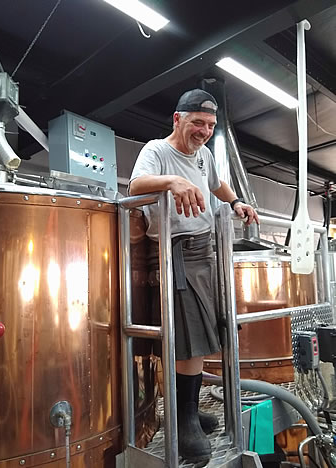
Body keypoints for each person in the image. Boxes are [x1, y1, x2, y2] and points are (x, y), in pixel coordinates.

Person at [129, 89, 259, 463]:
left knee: (204, 335)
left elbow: (217, 185)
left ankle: (187, 411)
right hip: (175, 252)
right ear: (177, 119)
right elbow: (136, 186)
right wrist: (171, 182)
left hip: (207, 250)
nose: (204, 131)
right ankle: (182, 419)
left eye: (210, 126)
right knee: (187, 338)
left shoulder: (203, 156)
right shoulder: (156, 150)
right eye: (197, 123)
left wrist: (235, 202)